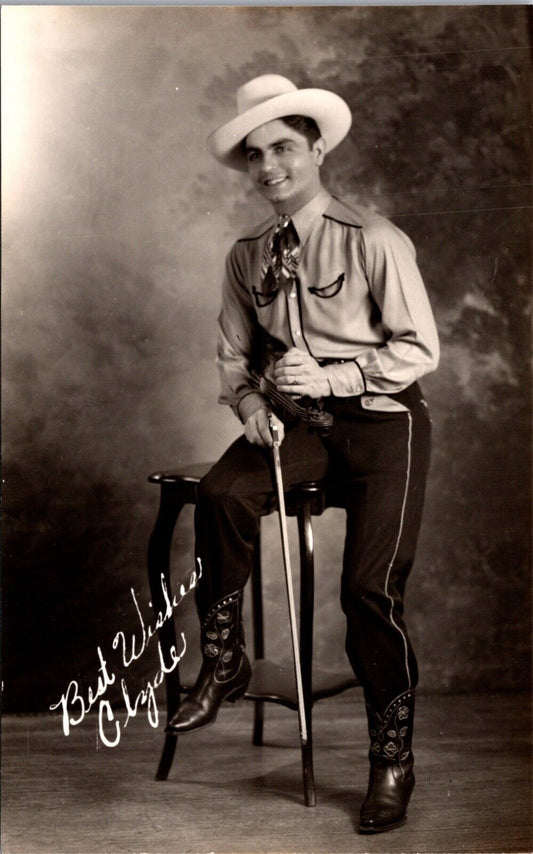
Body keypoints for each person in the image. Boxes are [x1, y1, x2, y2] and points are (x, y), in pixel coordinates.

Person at [166, 74, 439, 835]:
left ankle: (390, 760)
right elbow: (232, 355)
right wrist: (252, 405)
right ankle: (223, 659)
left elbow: (421, 349)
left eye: (283, 147)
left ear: (317, 148)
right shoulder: (246, 254)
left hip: (386, 425)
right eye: (254, 155)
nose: (268, 167)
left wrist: (337, 372)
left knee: (368, 592)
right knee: (222, 495)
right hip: (300, 428)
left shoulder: (372, 237)